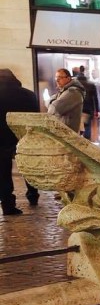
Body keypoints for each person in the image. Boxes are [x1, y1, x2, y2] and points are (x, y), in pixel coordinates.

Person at [0, 68, 40, 215]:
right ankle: (33, 195)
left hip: (1, 138)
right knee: (27, 166)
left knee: (3, 172)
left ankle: (8, 204)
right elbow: (35, 117)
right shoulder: (28, 95)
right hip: (23, 136)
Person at [47, 67, 85, 134]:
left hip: (68, 133)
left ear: (68, 78)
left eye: (60, 77)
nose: (57, 80)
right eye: (56, 77)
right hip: (63, 131)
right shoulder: (64, 90)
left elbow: (54, 109)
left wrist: (50, 102)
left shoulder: (73, 92)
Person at [77, 68, 100, 141]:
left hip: (76, 109)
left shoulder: (74, 85)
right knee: (87, 128)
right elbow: (95, 99)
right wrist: (97, 110)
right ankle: (87, 141)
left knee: (76, 127)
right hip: (87, 109)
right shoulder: (91, 84)